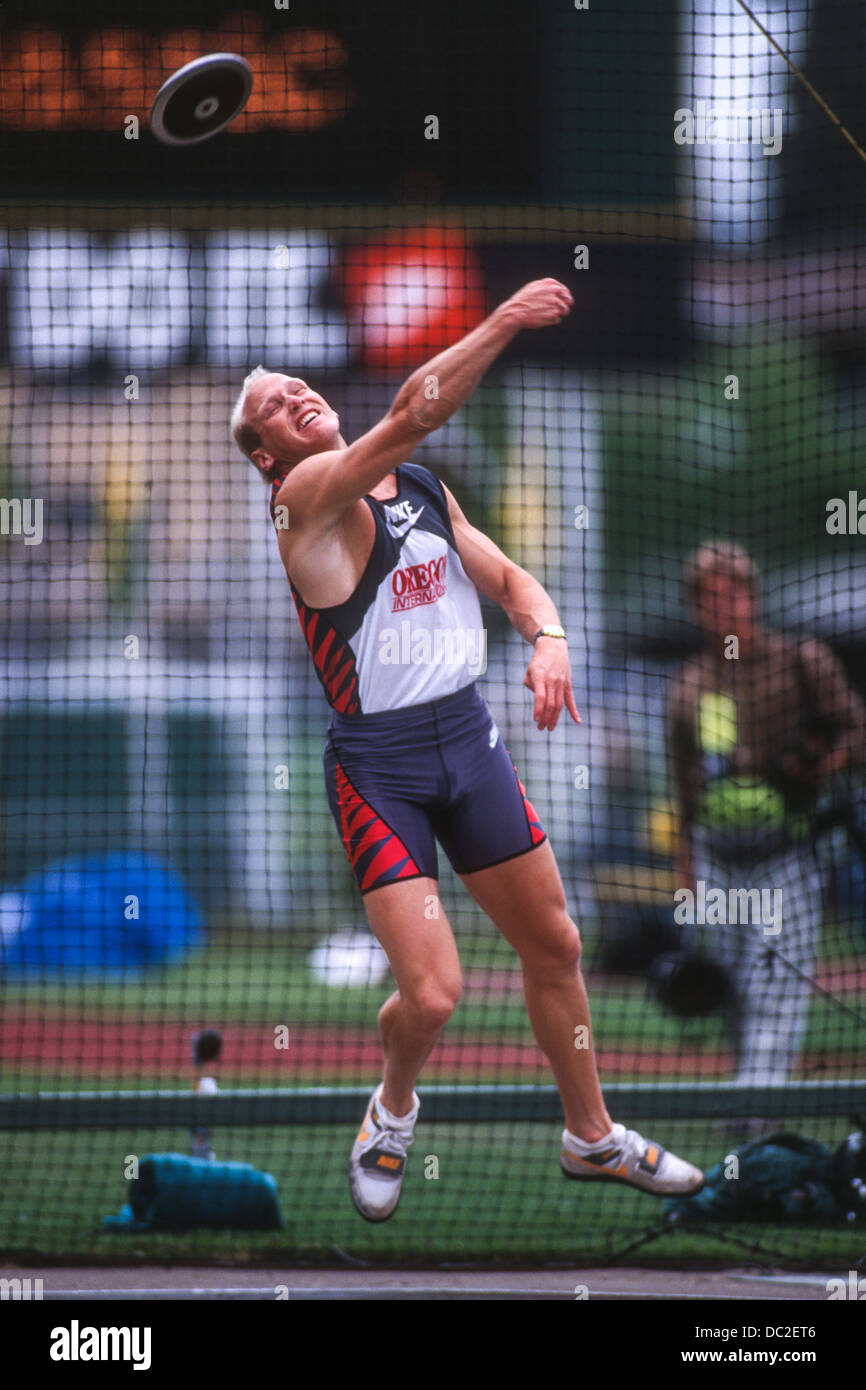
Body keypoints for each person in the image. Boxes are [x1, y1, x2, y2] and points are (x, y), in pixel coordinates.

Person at [231, 278, 703, 1221]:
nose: (295, 397)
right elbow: (412, 409)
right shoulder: (302, 501)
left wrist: (550, 638)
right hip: (381, 766)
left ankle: (591, 1137)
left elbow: (507, 575)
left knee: (557, 944)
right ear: (265, 453)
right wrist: (502, 323)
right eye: (274, 407)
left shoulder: (415, 487)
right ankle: (392, 1111)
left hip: (469, 740)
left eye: (294, 385)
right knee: (437, 993)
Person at [667, 541, 866, 1088]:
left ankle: (754, 1107)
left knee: (774, 982)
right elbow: (684, 794)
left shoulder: (801, 662)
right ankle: (748, 1095)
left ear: (753, 598)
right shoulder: (688, 686)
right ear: (694, 608)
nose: (722, 608)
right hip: (718, 856)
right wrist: (684, 877)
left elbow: (857, 732)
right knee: (731, 984)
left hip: (787, 852)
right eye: (708, 598)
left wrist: (826, 762)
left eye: (732, 595)